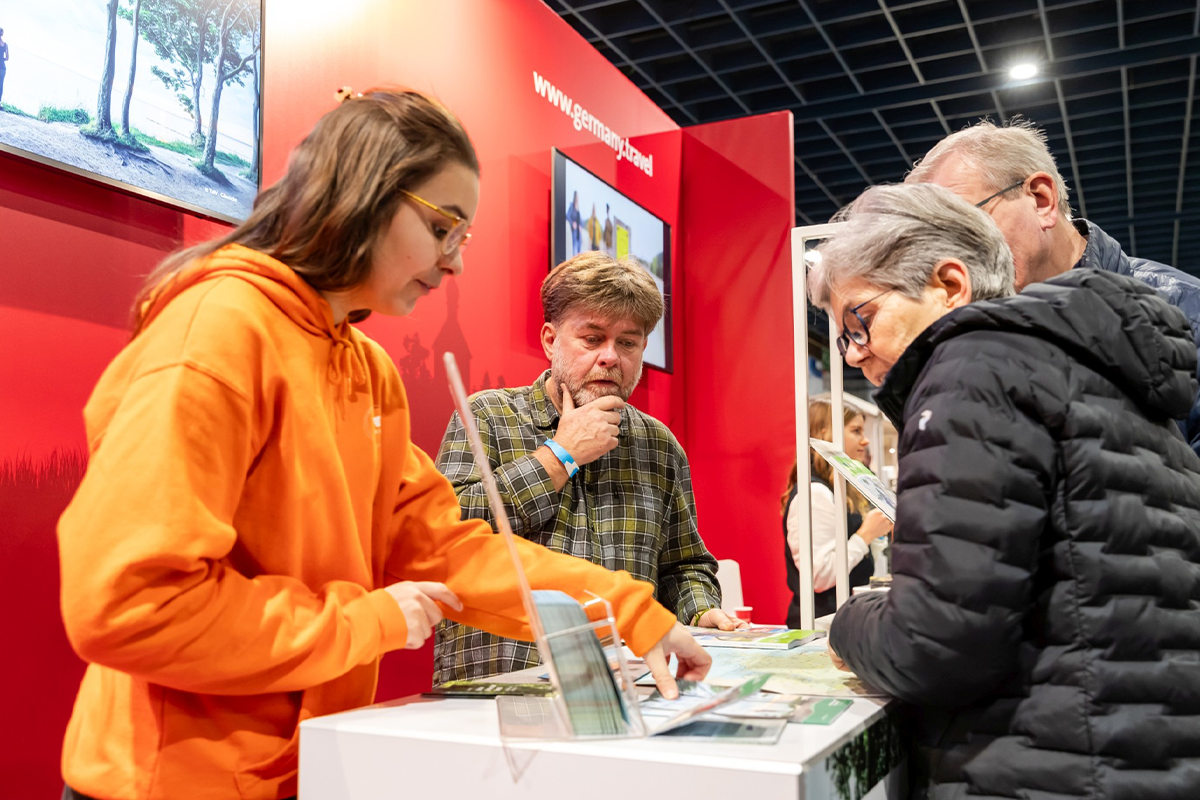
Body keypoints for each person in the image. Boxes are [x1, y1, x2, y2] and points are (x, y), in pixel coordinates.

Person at [55, 88, 709, 800]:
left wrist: (632, 613)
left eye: (463, 237)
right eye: (442, 227)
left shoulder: (364, 369)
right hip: (169, 782)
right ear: (363, 195)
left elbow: (442, 546)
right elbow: (131, 603)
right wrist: (367, 621)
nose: (455, 263)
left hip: (309, 763)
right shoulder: (217, 334)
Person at [809, 182, 1200, 798]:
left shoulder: (971, 371)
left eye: (860, 321)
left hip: (1045, 766)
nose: (854, 356)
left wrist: (847, 624)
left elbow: (934, 644)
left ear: (950, 284)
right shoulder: (1095, 372)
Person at [434, 251, 739, 683]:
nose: (610, 357)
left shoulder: (659, 445)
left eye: (627, 343)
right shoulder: (487, 416)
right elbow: (446, 536)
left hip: (623, 688)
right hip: (500, 687)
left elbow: (683, 565)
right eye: (592, 339)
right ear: (550, 340)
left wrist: (701, 610)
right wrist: (561, 454)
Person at [907, 117, 1200, 455]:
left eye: (966, 227)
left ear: (1041, 199)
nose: (955, 259)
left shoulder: (1186, 315)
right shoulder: (979, 344)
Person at [780, 398, 891, 626]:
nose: (865, 440)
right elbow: (818, 576)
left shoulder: (840, 491)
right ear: (826, 434)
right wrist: (865, 535)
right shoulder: (815, 494)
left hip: (845, 621)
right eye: (856, 431)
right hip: (821, 628)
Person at [566, 191, 582, 256]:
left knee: (579, 246)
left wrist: (580, 226)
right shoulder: (571, 207)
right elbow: (567, 216)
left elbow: (580, 220)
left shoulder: (578, 208)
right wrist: (572, 223)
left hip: (578, 232)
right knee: (574, 246)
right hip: (574, 230)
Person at [0, 29, 9, 109]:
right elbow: (7, 58)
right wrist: (1, 59)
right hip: (3, 68)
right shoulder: (5, 45)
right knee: (1, 85)